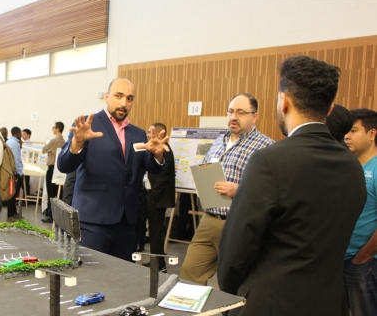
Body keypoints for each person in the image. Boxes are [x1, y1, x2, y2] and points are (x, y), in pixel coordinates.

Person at [217, 55, 367, 316]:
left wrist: (233, 292)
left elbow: (235, 251)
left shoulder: (270, 160)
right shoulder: (353, 167)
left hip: (271, 302)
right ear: (330, 108)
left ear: (283, 101)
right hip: (330, 303)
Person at [57, 77, 168, 261]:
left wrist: (158, 155)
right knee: (90, 277)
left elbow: (152, 168)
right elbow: (64, 165)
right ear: (107, 96)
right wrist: (77, 142)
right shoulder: (87, 125)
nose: (124, 103)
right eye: (119, 96)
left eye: (130, 98)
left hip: (126, 223)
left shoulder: (138, 133)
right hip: (92, 220)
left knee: (121, 279)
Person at [180, 93, 274, 284]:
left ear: (254, 116)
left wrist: (238, 191)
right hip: (208, 219)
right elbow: (206, 168)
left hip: (238, 222)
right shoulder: (218, 141)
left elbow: (270, 192)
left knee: (233, 281)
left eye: (240, 112)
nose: (233, 117)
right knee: (190, 271)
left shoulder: (266, 146)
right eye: (231, 111)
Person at [343, 108, 377, 316]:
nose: (346, 136)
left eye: (354, 130)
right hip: (340, 259)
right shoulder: (349, 166)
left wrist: (363, 258)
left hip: (364, 264)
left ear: (372, 134)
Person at [145, 122, 176, 273]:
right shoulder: (154, 150)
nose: (148, 135)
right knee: (153, 232)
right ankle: (155, 262)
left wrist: (153, 197)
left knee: (156, 233)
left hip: (157, 198)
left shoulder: (166, 150)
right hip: (152, 196)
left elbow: (163, 176)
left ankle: (159, 265)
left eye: (150, 132)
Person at [41, 122, 66, 223]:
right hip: (60, 169)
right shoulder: (64, 141)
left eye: (53, 127)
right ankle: (57, 215)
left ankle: (51, 215)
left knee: (51, 193)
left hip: (52, 168)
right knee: (58, 194)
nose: (53, 129)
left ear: (57, 129)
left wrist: (50, 151)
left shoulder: (53, 140)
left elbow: (44, 150)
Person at [5, 126, 23, 222]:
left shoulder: (9, 142)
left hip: (9, 171)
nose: (21, 135)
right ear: (16, 133)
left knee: (12, 193)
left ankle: (14, 212)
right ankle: (10, 214)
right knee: (13, 194)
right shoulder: (14, 144)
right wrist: (20, 172)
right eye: (20, 133)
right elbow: (16, 159)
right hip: (15, 172)